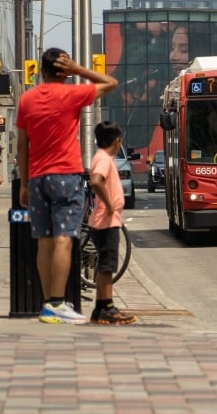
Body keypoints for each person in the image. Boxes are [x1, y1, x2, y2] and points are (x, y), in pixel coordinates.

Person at [16, 48, 118, 324]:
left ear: (41, 71)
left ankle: (48, 304)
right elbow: (110, 83)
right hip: (66, 174)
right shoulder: (72, 94)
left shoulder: (26, 100)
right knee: (64, 238)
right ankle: (58, 303)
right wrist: (79, 70)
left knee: (44, 241)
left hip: (37, 178)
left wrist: (24, 184)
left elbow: (22, 146)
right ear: (64, 72)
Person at [88, 121, 137, 325]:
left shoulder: (102, 157)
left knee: (104, 265)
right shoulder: (105, 160)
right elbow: (96, 181)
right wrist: (109, 204)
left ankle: (100, 307)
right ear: (117, 141)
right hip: (106, 220)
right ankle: (108, 307)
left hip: (104, 219)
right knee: (107, 266)